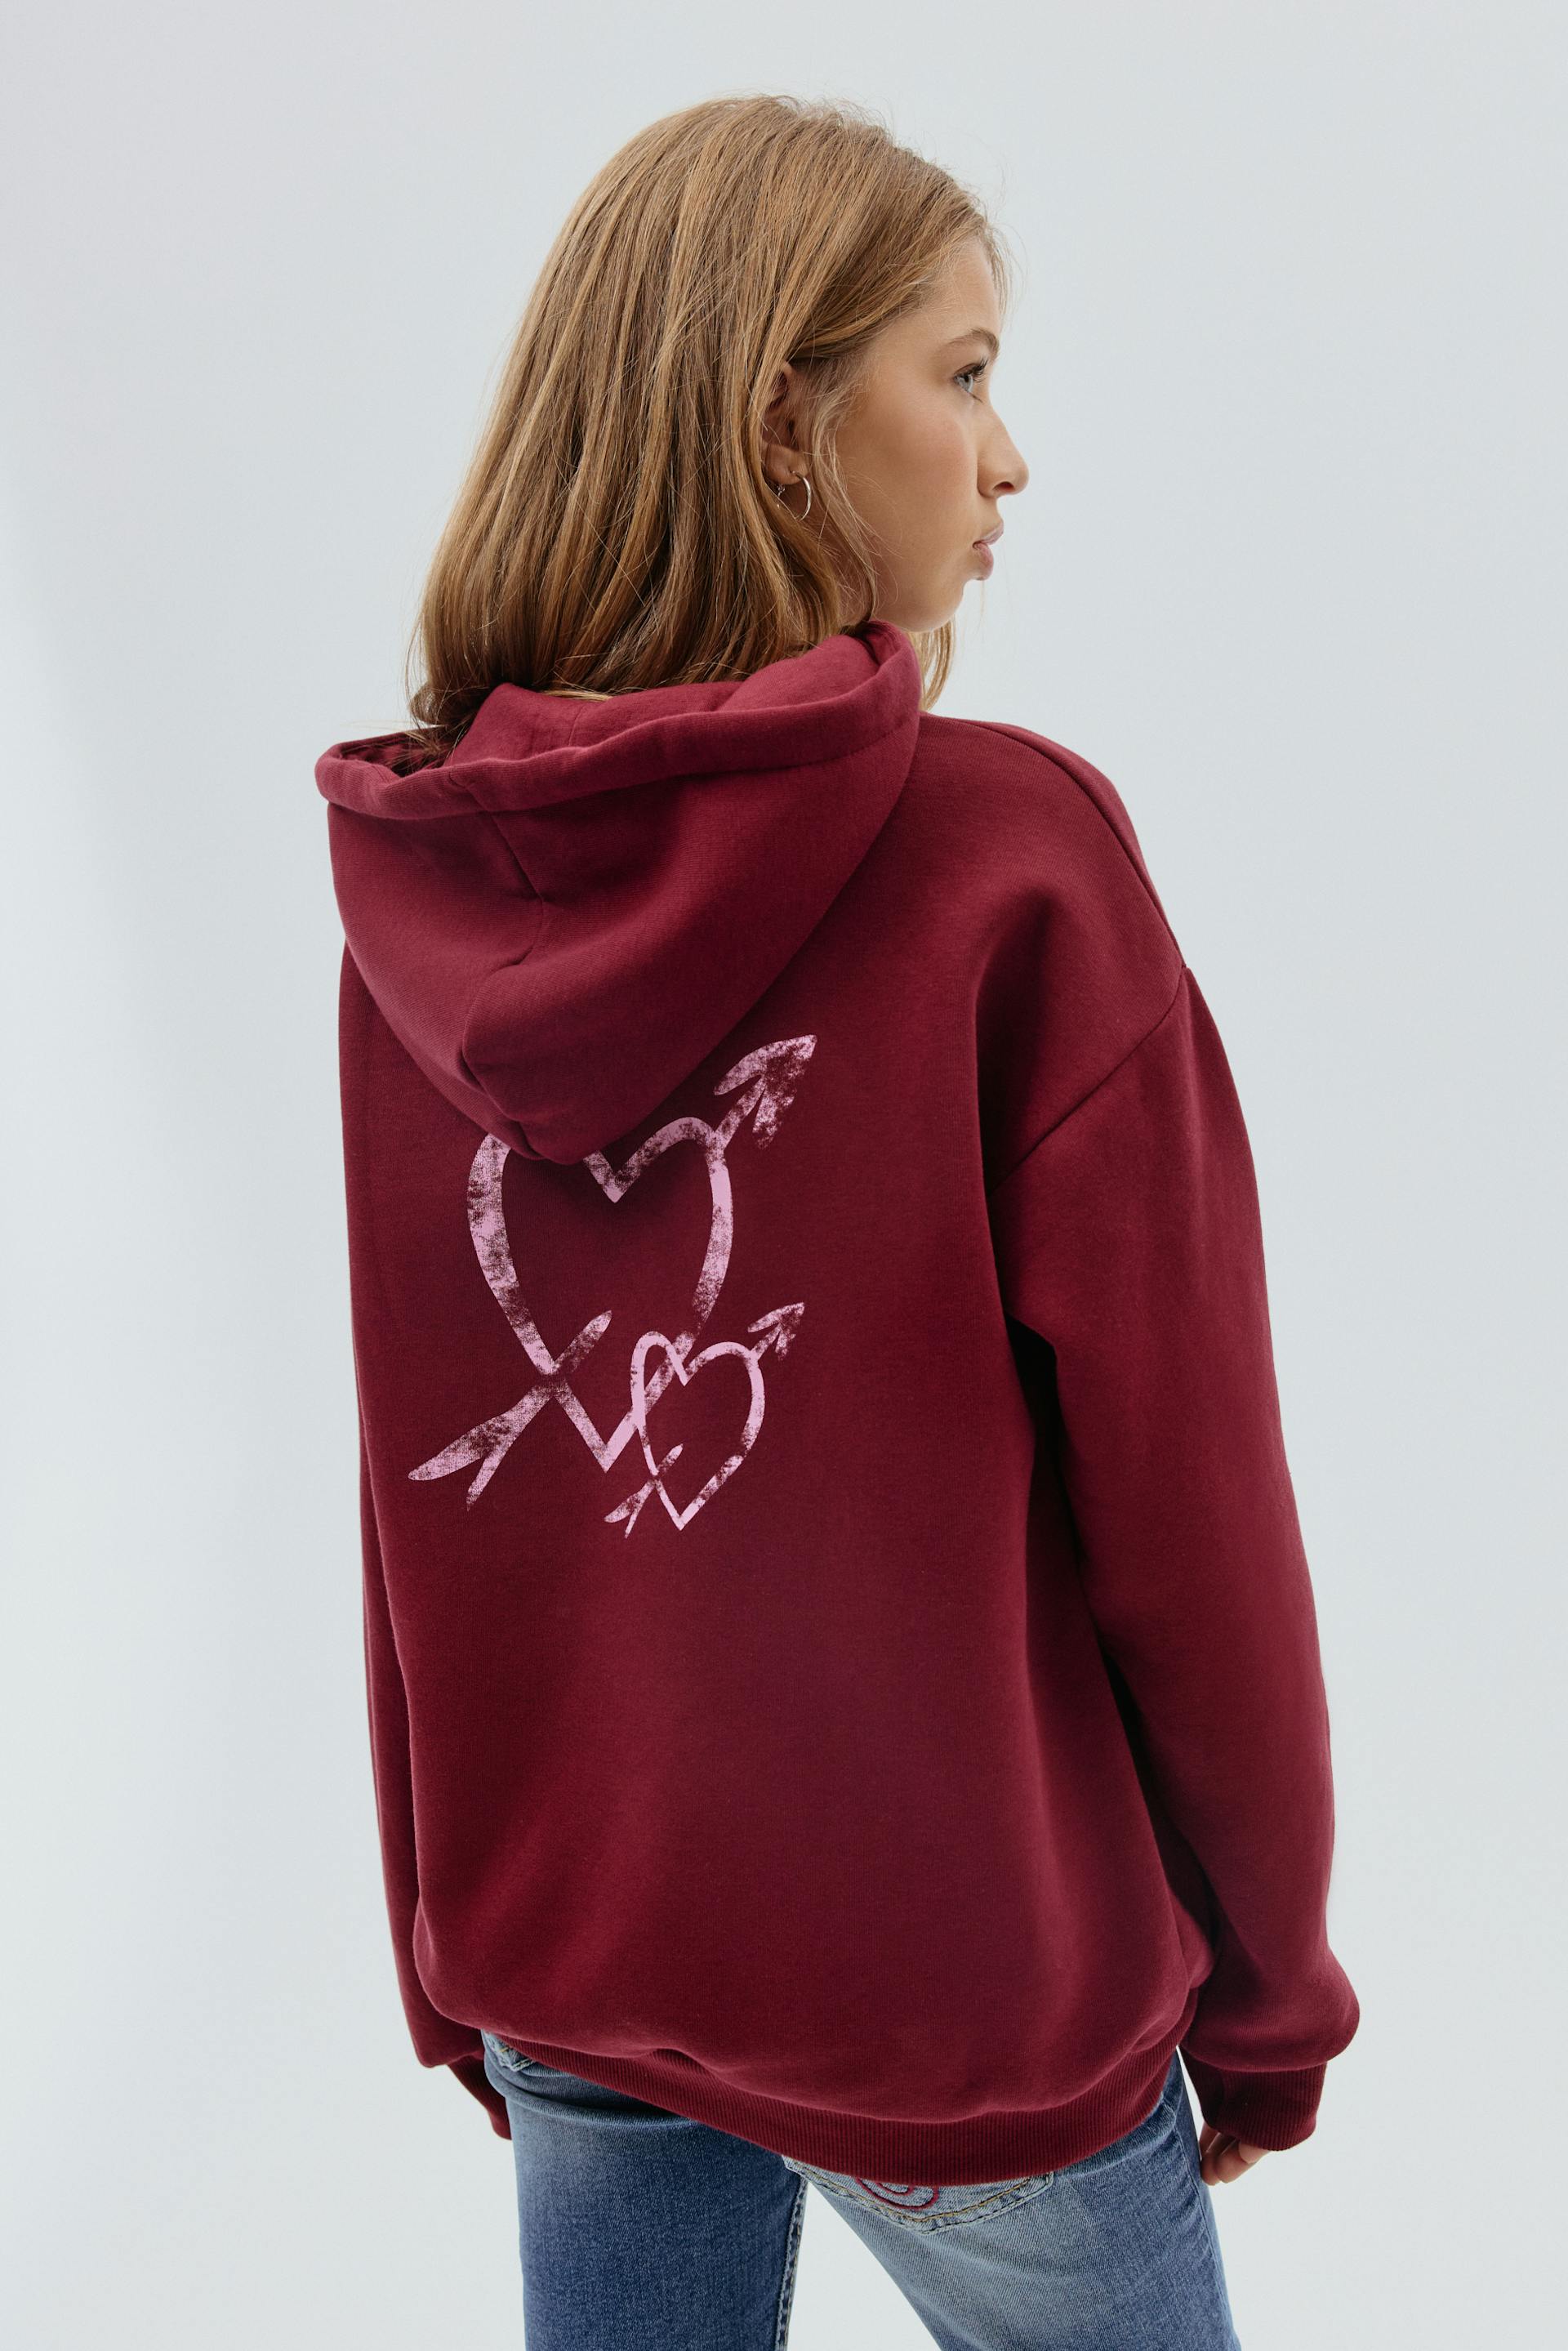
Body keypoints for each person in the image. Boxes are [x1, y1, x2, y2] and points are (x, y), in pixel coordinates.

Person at [314, 91, 1359, 2351]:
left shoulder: (426, 892)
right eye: (962, 373)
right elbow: (1193, 1510)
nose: (1009, 460)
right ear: (786, 430)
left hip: (579, 1966)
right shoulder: (1011, 865)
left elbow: (417, 1488)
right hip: (967, 2009)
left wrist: (450, 1926)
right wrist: (1273, 1982)